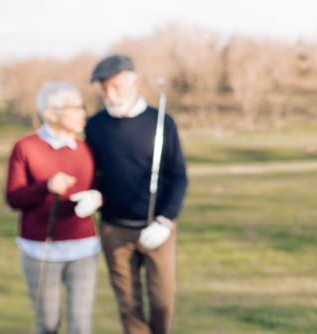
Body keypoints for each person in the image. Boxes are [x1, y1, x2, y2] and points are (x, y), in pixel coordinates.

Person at [85, 54, 188, 334]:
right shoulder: (94, 125)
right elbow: (92, 174)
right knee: (129, 305)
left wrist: (165, 220)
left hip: (157, 227)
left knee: (162, 301)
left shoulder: (161, 121)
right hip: (114, 229)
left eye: (116, 86)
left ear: (135, 82)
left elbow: (178, 176)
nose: (110, 94)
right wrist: (92, 194)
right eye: (104, 88)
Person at [6, 82, 103, 334]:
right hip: (41, 251)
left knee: (81, 327)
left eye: (82, 107)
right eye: (75, 108)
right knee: (47, 324)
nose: (82, 113)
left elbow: (97, 187)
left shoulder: (86, 148)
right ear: (51, 113)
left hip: (84, 249)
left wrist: (96, 198)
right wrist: (46, 186)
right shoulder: (26, 147)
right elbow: (13, 198)